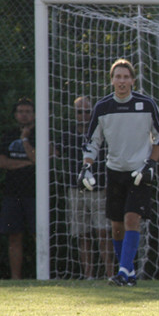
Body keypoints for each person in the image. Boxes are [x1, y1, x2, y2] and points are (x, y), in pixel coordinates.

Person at [80, 58, 159, 287]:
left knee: (131, 219)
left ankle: (122, 272)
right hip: (114, 172)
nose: (122, 81)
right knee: (116, 225)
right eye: (118, 77)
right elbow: (92, 142)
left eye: (126, 77)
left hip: (139, 172)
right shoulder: (102, 107)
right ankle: (127, 274)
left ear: (133, 80)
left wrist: (150, 164)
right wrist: (87, 166)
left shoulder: (146, 104)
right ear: (112, 80)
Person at [61, 96, 115, 279]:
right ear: (74, 114)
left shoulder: (101, 133)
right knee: (82, 234)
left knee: (103, 233)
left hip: (99, 189)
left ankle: (110, 274)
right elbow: (55, 153)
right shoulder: (67, 134)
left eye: (86, 112)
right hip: (75, 190)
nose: (83, 116)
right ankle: (88, 275)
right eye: (79, 112)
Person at [0, 96, 37, 279]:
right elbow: (2, 162)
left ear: (34, 115)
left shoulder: (40, 134)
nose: (24, 115)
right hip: (12, 194)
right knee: (14, 237)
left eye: (28, 112)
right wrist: (27, 163)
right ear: (15, 115)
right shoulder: (8, 135)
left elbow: (38, 160)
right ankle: (15, 279)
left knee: (39, 235)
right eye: (21, 111)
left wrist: (25, 141)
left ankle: (43, 276)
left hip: (35, 195)